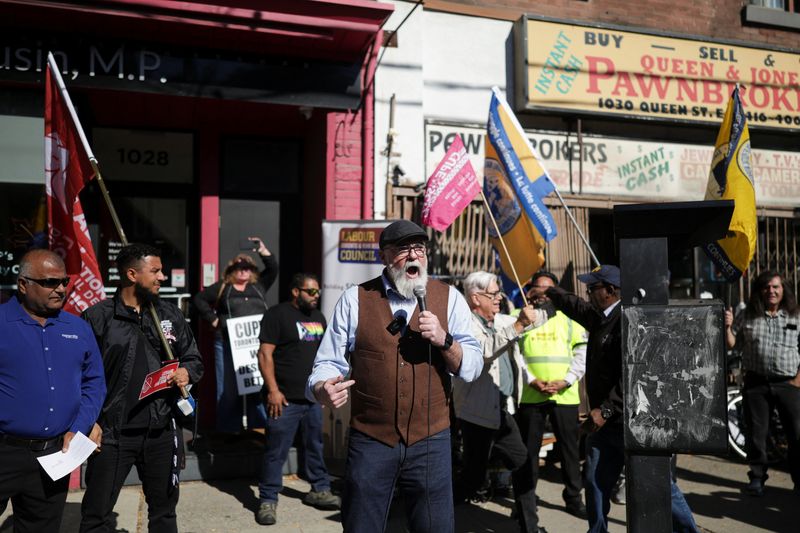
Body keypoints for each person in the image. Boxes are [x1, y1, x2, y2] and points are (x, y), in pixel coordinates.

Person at [307, 219, 482, 533]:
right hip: (372, 438)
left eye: (419, 248)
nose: (414, 256)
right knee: (362, 526)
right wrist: (322, 388)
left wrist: (444, 339)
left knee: (435, 528)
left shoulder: (449, 298)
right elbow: (327, 363)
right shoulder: (355, 299)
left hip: (432, 439)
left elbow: (471, 367)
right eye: (403, 249)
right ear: (384, 256)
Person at [535, 264, 697, 533]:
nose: (587, 293)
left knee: (658, 484)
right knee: (595, 481)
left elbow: (636, 375)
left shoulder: (629, 320)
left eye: (592, 288)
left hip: (633, 424)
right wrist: (551, 291)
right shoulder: (601, 316)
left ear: (610, 291)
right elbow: (575, 305)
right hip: (606, 427)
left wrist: (606, 410)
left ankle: (689, 531)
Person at [80, 243, 204, 533]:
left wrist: (187, 371)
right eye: (156, 271)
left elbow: (194, 359)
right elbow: (78, 377)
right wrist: (89, 422)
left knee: (164, 513)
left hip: (160, 431)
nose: (163, 277)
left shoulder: (170, 315)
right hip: (111, 435)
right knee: (96, 515)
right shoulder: (98, 318)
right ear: (132, 274)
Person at [0, 249, 106, 532]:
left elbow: (94, 383)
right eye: (50, 282)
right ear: (23, 284)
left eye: (64, 282)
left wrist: (81, 425)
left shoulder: (78, 328)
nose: (60, 289)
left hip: (54, 455)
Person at [452, 271, 547, 533]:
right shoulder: (464, 325)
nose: (498, 299)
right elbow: (484, 351)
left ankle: (530, 526)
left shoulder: (501, 319)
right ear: (475, 298)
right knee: (472, 479)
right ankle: (432, 515)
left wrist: (541, 304)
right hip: (476, 414)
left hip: (503, 411)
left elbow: (538, 320)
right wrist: (518, 326)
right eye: (493, 294)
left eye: (499, 293)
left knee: (523, 464)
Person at [255, 273, 339, 525]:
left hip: (311, 397)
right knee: (276, 451)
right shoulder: (277, 315)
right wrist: (273, 390)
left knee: (315, 445)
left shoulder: (318, 317)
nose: (316, 296)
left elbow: (323, 358)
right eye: (310, 292)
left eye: (318, 292)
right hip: (284, 399)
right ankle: (268, 499)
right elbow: (264, 355)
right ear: (295, 291)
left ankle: (319, 489)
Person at [516, 271, 588, 520]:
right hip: (530, 395)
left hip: (564, 395)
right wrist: (531, 380)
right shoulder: (521, 318)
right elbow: (515, 355)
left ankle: (573, 498)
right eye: (540, 289)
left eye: (550, 290)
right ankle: (525, 502)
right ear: (530, 290)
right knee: (528, 453)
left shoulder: (569, 319)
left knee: (570, 451)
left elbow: (582, 353)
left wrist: (565, 381)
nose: (544, 294)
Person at [725, 270, 800, 496]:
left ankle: (798, 479)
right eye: (766, 287)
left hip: (789, 383)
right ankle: (757, 478)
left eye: (776, 287)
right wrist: (727, 326)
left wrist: (799, 379)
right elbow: (731, 344)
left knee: (796, 434)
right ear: (759, 291)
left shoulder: (795, 315)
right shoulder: (747, 314)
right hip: (756, 383)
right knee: (757, 434)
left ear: (783, 290)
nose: (771, 291)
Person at [194, 237, 277, 435]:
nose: (243, 270)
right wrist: (214, 320)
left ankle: (258, 430)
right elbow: (199, 300)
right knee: (228, 390)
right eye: (239, 267)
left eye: (248, 267)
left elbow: (273, 268)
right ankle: (228, 431)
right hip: (227, 344)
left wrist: (262, 249)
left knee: (256, 386)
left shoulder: (259, 286)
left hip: (254, 346)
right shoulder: (223, 287)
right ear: (231, 269)